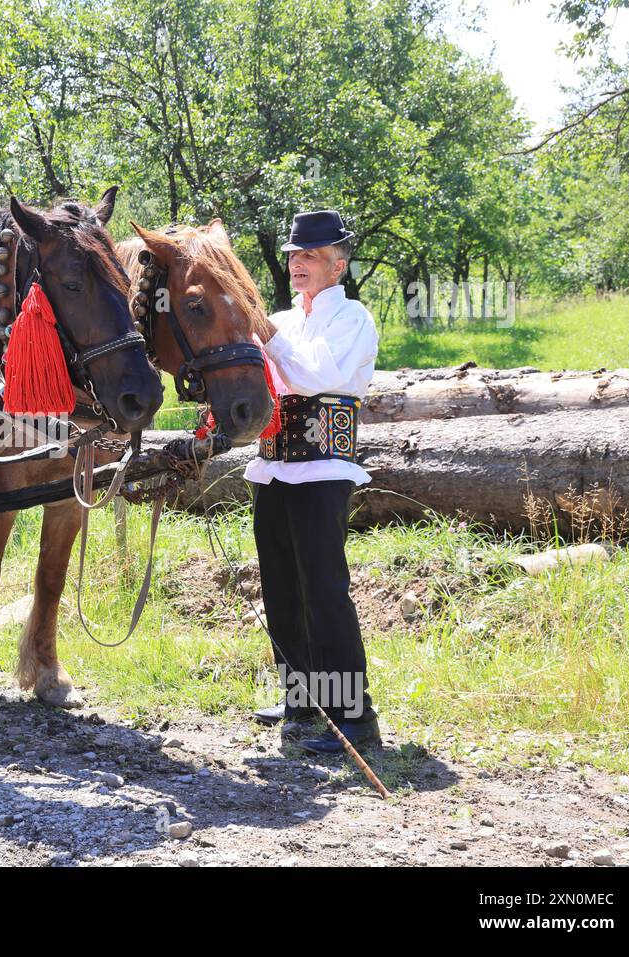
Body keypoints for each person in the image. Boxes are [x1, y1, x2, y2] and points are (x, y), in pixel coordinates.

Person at [247, 210, 380, 754]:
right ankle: (302, 697)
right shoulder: (282, 319)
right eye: (294, 255)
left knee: (323, 588)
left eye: (310, 256)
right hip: (274, 465)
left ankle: (353, 716)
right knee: (280, 584)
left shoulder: (353, 320)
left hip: (324, 468)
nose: (297, 263)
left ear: (338, 265)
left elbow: (317, 376)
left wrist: (266, 335)